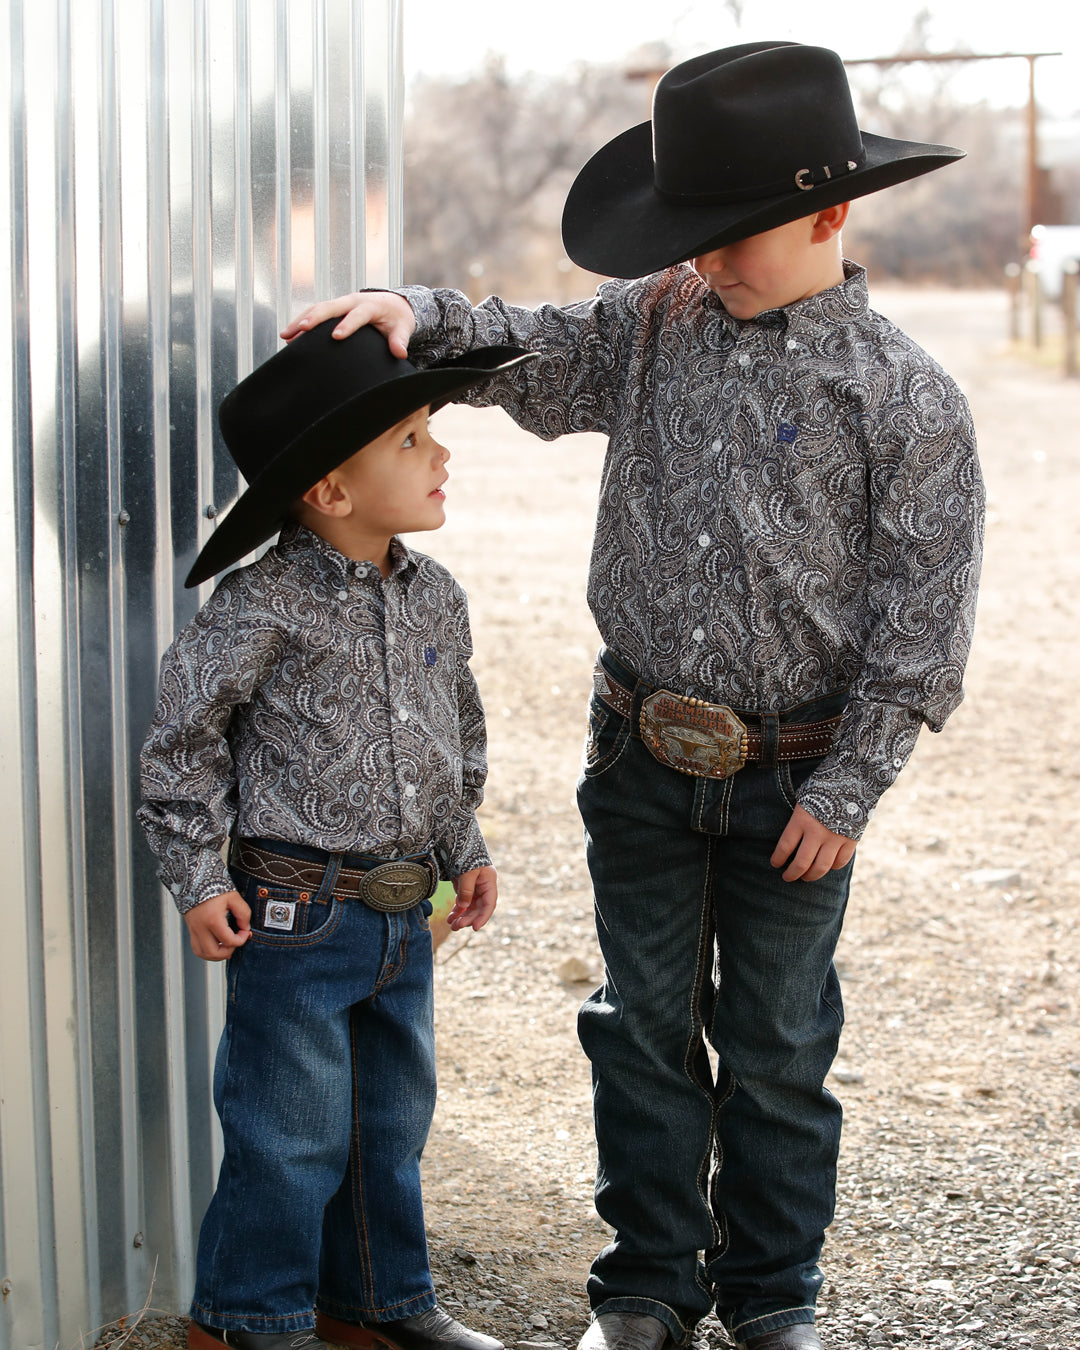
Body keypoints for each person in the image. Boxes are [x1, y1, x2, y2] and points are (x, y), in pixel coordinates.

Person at [282, 42, 985, 1350]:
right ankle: (650, 1282)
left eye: (736, 234)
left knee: (776, 1044)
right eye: (693, 232)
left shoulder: (905, 400)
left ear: (832, 213)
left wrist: (852, 783)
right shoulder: (656, 319)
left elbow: (924, 626)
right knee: (641, 1023)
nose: (708, 258)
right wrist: (417, 317)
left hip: (798, 778)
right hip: (642, 751)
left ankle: (774, 1293)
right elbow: (537, 353)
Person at [138, 323, 533, 1350]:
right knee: (289, 1132)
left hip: (404, 917)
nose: (440, 453)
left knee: (389, 1123)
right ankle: (247, 1320)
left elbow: (457, 741)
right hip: (295, 915)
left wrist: (467, 850)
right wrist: (193, 879)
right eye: (409, 439)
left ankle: (377, 1304)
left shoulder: (435, 595)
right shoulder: (264, 604)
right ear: (330, 490)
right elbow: (184, 744)